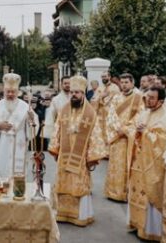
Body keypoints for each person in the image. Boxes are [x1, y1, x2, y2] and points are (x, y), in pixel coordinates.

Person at [47, 75, 107, 227]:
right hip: (64, 155)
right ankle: (62, 213)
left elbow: (95, 134)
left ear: (83, 93)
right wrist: (55, 148)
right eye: (72, 92)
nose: (74, 95)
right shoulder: (64, 110)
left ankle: (81, 215)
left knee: (79, 184)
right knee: (63, 182)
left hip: (81, 157)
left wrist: (92, 156)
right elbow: (57, 129)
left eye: (77, 92)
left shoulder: (90, 113)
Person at [123, 87, 166, 240]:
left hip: (152, 165)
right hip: (138, 162)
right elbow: (133, 130)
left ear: (161, 101)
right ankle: (137, 224)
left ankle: (151, 230)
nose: (148, 100)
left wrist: (145, 132)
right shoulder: (144, 113)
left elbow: (165, 142)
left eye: (152, 98)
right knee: (136, 192)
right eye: (147, 97)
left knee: (149, 195)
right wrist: (136, 132)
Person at [0, 73, 38, 186]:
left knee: (18, 175)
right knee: (1, 174)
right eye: (8, 91)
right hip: (2, 146)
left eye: (13, 92)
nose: (10, 94)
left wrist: (32, 120)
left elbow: (33, 127)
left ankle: (18, 194)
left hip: (19, 144)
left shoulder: (25, 107)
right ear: (4, 91)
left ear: (18, 92)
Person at [101, 72, 143, 202]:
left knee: (128, 165)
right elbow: (110, 115)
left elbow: (140, 115)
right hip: (117, 137)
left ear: (132, 83)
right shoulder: (116, 98)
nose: (124, 85)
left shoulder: (139, 98)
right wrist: (118, 129)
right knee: (115, 165)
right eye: (122, 82)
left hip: (130, 138)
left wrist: (126, 130)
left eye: (126, 82)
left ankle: (126, 193)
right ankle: (113, 192)